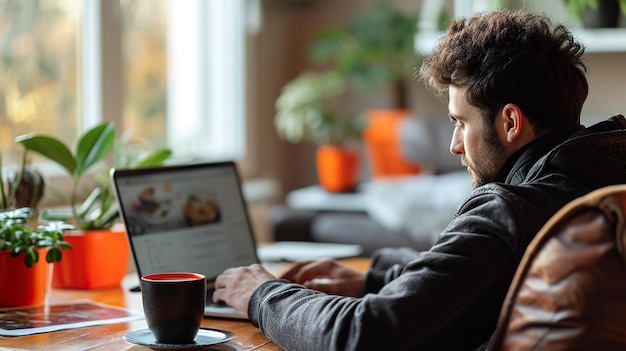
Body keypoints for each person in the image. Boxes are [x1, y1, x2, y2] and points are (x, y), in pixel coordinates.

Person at [213, 10, 626, 350]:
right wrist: (377, 277)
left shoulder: (508, 208)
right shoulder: (595, 181)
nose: (454, 146)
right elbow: (498, 272)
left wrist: (260, 294)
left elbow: (361, 335)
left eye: (461, 123)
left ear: (511, 122)